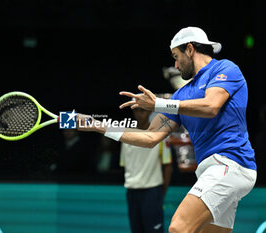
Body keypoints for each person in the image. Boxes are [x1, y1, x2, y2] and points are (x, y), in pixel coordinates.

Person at [77, 27, 257, 233]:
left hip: (230, 164)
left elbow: (211, 106)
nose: (175, 65)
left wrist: (160, 104)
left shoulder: (225, 69)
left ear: (190, 49)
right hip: (213, 170)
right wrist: (97, 126)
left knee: (178, 228)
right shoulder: (182, 94)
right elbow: (150, 137)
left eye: (176, 56)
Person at [120, 107, 172, 233]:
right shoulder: (125, 135)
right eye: (136, 110)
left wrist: (160, 193)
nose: (139, 114)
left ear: (149, 111)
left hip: (152, 191)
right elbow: (125, 164)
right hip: (132, 191)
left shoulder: (160, 134)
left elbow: (168, 166)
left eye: (142, 110)